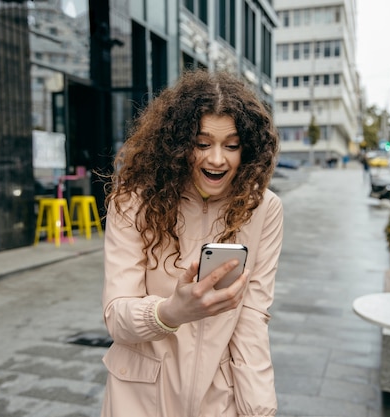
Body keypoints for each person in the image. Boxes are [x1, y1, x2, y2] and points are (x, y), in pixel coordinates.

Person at [100, 69, 284, 417]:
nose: (217, 158)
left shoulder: (264, 208)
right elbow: (116, 317)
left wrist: (259, 407)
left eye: (231, 145)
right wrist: (170, 312)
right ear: (179, 144)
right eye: (202, 144)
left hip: (219, 397)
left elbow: (252, 317)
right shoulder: (132, 201)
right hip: (139, 397)